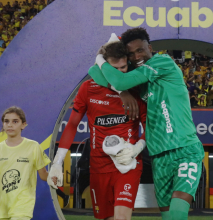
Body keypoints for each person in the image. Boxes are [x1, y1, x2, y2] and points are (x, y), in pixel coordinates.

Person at [90, 28, 204, 219]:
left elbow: (110, 74)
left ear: (150, 48)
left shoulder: (163, 62)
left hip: (185, 149)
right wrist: (122, 92)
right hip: (159, 157)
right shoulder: (138, 79)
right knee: (168, 216)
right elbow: (93, 72)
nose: (136, 56)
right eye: (131, 54)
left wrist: (100, 59)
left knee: (177, 213)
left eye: (140, 50)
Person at [48, 38, 147, 220]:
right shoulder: (88, 89)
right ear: (104, 68)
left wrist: (137, 148)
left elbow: (150, 127)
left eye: (123, 68)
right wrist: (57, 162)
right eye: (114, 69)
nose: (119, 74)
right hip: (98, 166)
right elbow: (71, 125)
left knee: (121, 217)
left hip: (127, 164)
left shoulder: (137, 89)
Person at [0, 106, 51, 219]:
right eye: (6, 121)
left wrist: (54, 177)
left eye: (15, 121)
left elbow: (43, 175)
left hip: (24, 203)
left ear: (23, 125)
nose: (10, 125)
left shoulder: (33, 146)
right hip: (3, 206)